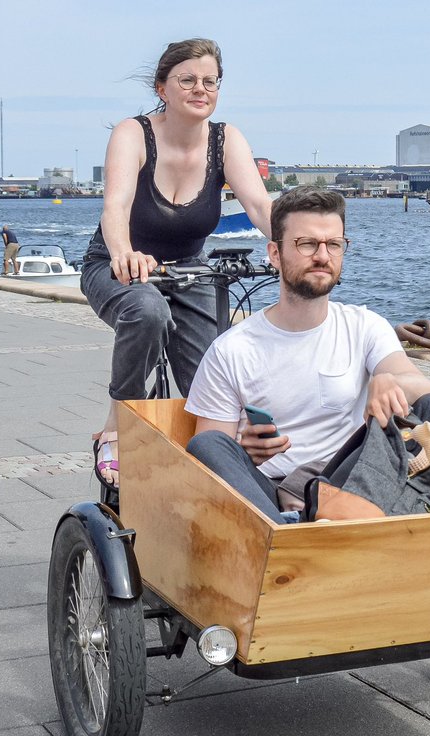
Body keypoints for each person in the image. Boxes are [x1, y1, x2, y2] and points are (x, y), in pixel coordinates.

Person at [184, 187, 430, 524]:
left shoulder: (364, 325)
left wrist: (385, 378)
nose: (322, 256)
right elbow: (207, 462)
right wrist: (246, 453)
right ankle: (290, 541)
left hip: (352, 484)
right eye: (307, 244)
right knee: (207, 445)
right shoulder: (231, 350)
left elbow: (414, 383)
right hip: (273, 494)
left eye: (334, 244)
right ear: (275, 254)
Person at [79, 38, 272, 488]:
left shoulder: (226, 139)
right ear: (162, 88)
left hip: (188, 270)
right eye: (187, 80)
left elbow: (261, 206)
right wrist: (125, 252)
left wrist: (291, 242)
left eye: (210, 81)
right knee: (147, 312)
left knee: (214, 374)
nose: (200, 89)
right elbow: (116, 205)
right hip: (116, 264)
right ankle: (118, 423)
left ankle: (216, 466)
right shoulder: (133, 133)